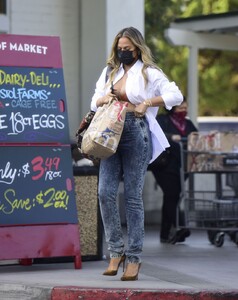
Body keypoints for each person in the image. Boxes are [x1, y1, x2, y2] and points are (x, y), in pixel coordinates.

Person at [90, 27, 183, 281]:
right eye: (120, 48)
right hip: (110, 131)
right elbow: (94, 100)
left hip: (135, 131)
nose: (123, 53)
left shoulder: (148, 72)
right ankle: (115, 251)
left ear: (138, 49)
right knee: (105, 193)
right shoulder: (110, 70)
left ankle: (134, 257)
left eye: (128, 49)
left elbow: (176, 95)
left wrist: (148, 103)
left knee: (132, 196)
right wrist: (103, 99)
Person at [149, 97, 197, 244]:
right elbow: (156, 134)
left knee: (173, 197)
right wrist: (171, 137)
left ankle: (168, 232)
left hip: (181, 166)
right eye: (180, 108)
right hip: (164, 165)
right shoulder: (163, 120)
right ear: (172, 108)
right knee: (172, 194)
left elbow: (196, 135)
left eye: (185, 108)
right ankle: (179, 226)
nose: (183, 111)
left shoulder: (187, 123)